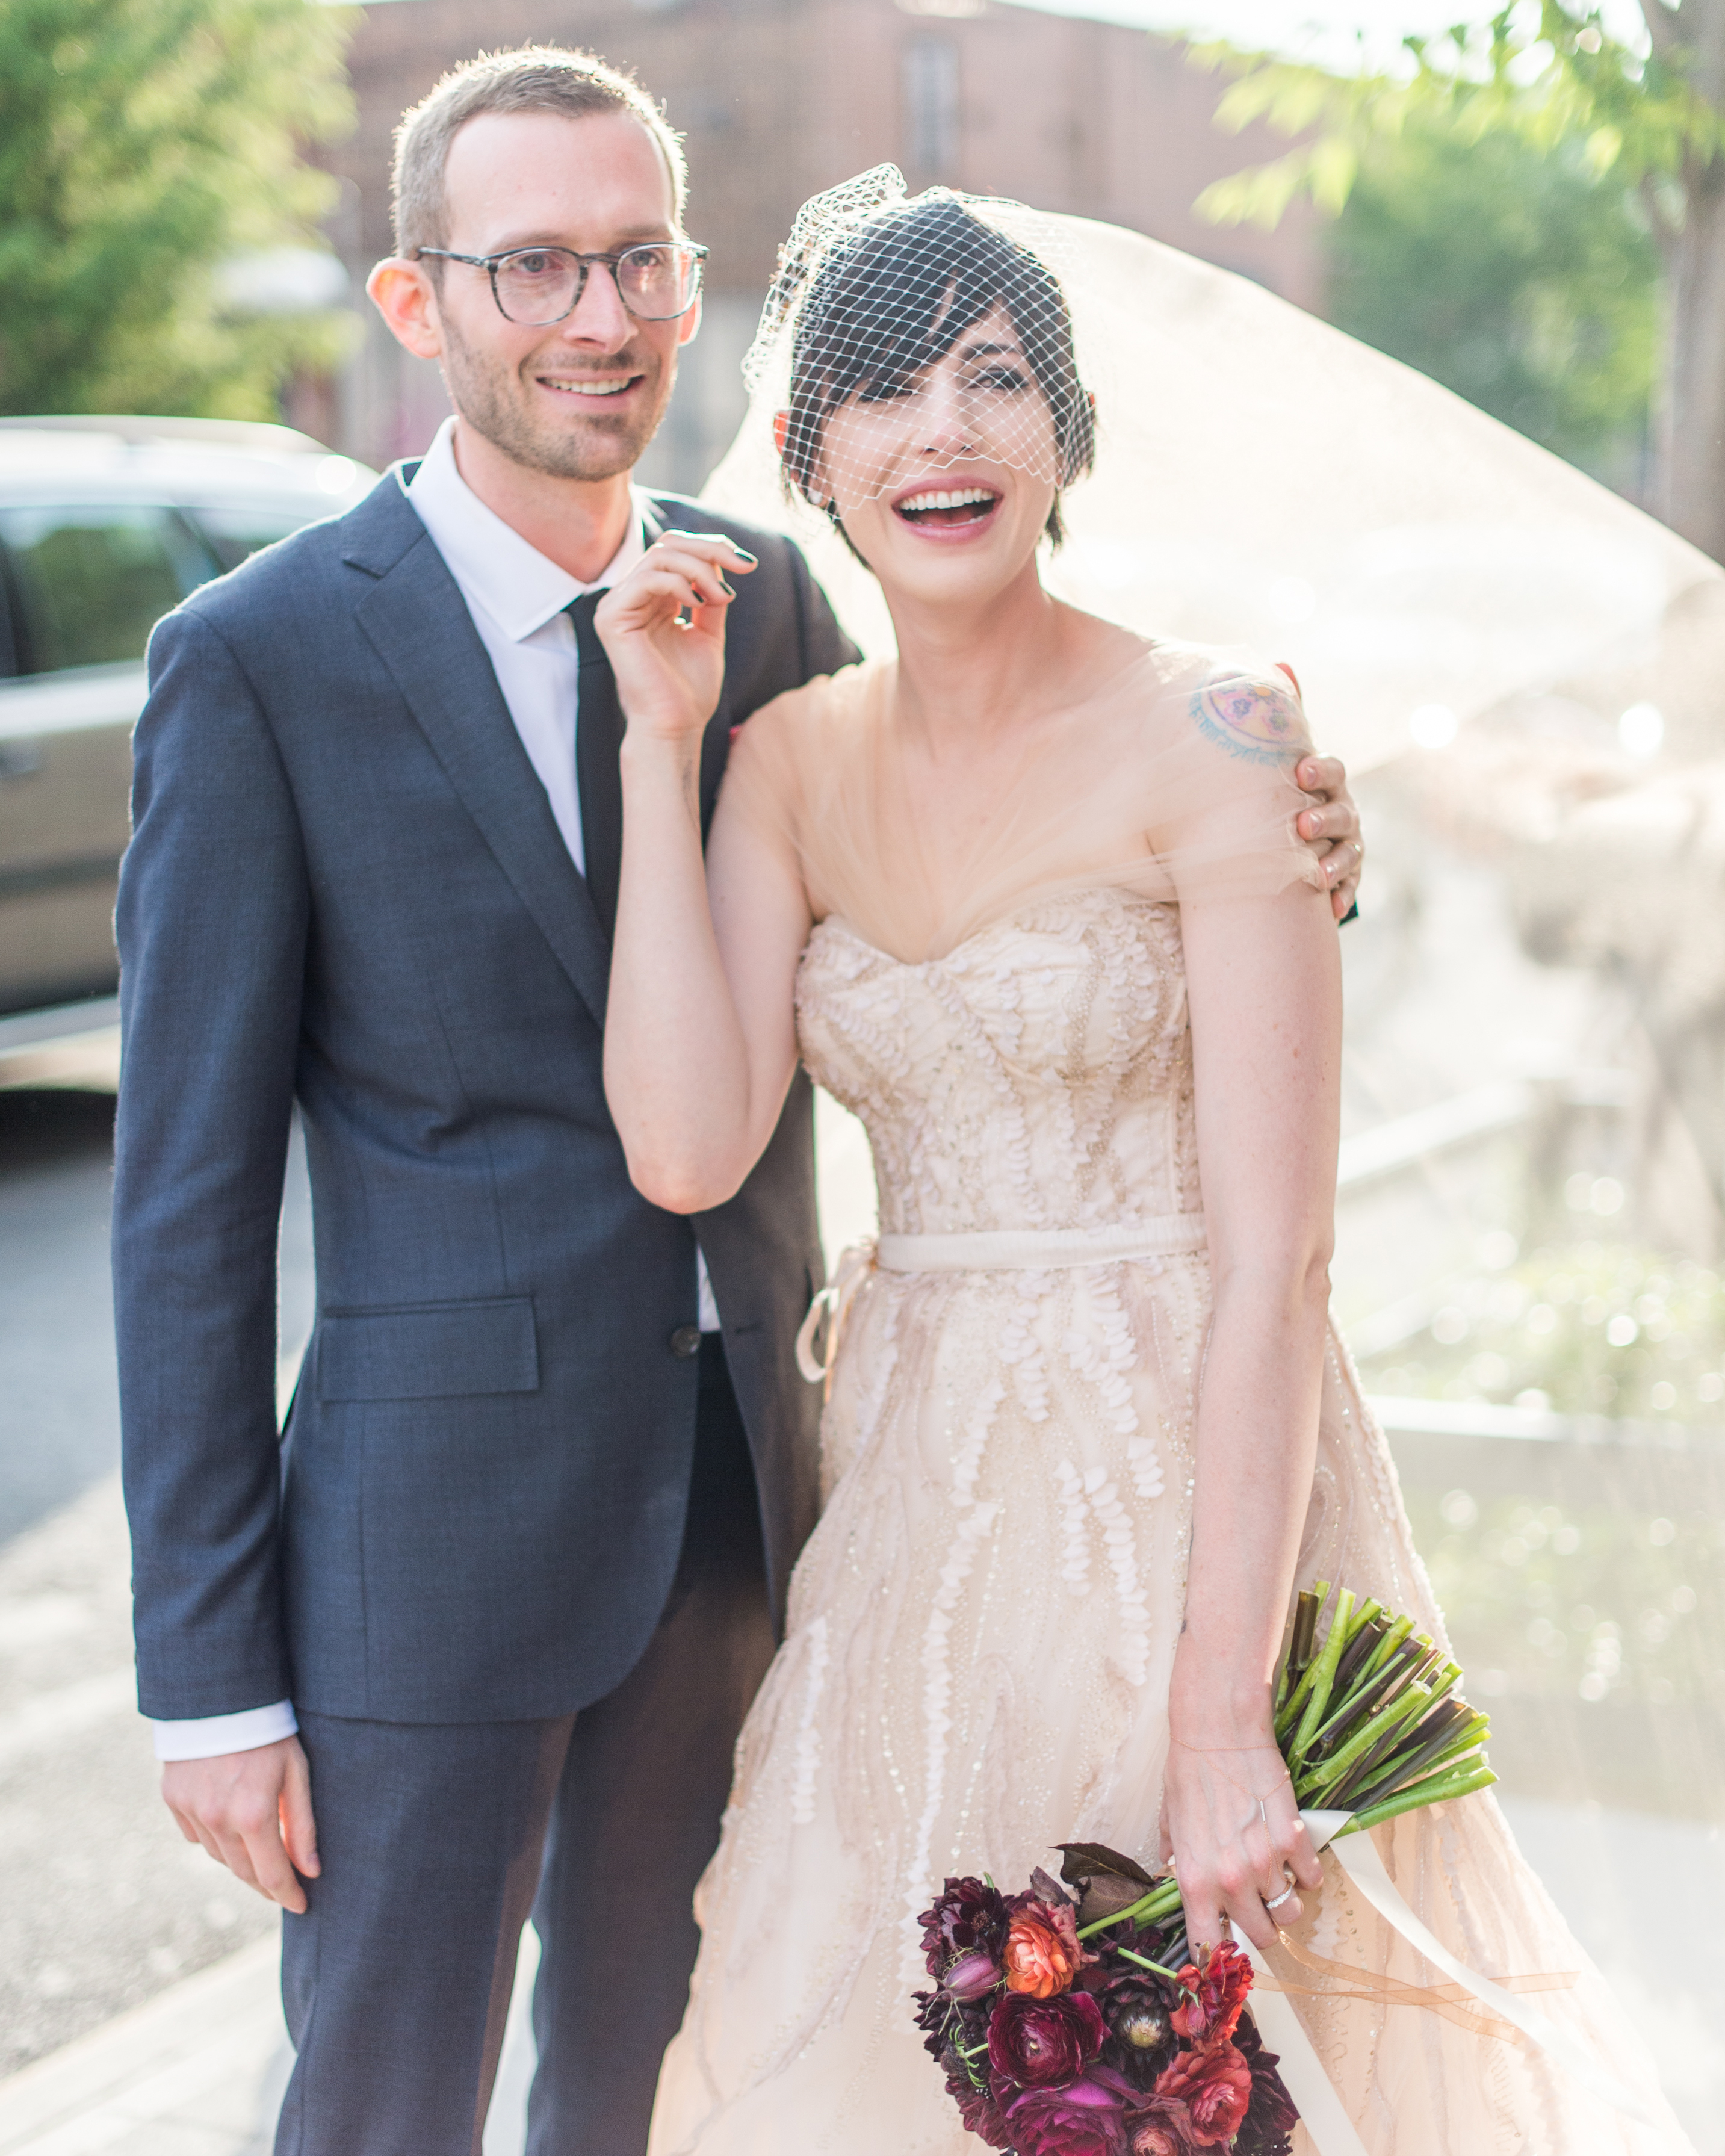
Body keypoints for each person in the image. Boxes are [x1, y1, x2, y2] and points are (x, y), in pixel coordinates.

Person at [108, 43, 1367, 2156]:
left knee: (663, 2090)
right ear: (418, 303)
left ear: (692, 293)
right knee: (385, 2103)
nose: (597, 319)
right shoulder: (258, 658)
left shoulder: (766, 603)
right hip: (425, 1552)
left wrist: (1299, 832)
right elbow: (183, 1208)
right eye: (533, 268)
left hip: (769, 1521)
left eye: (636, 262)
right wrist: (209, 1675)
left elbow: (1012, 831)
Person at [593, 182, 1692, 2154]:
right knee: (873, 2030)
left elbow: (1277, 1268)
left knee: (1208, 2052)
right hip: (915, 1508)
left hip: (1183, 1478)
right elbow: (684, 1148)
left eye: (998, 381)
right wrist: (653, 742)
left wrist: (1215, 1722)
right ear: (800, 457)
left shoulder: (1219, 724)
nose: (944, 429)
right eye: (883, 390)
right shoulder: (773, 763)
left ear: (1071, 439)